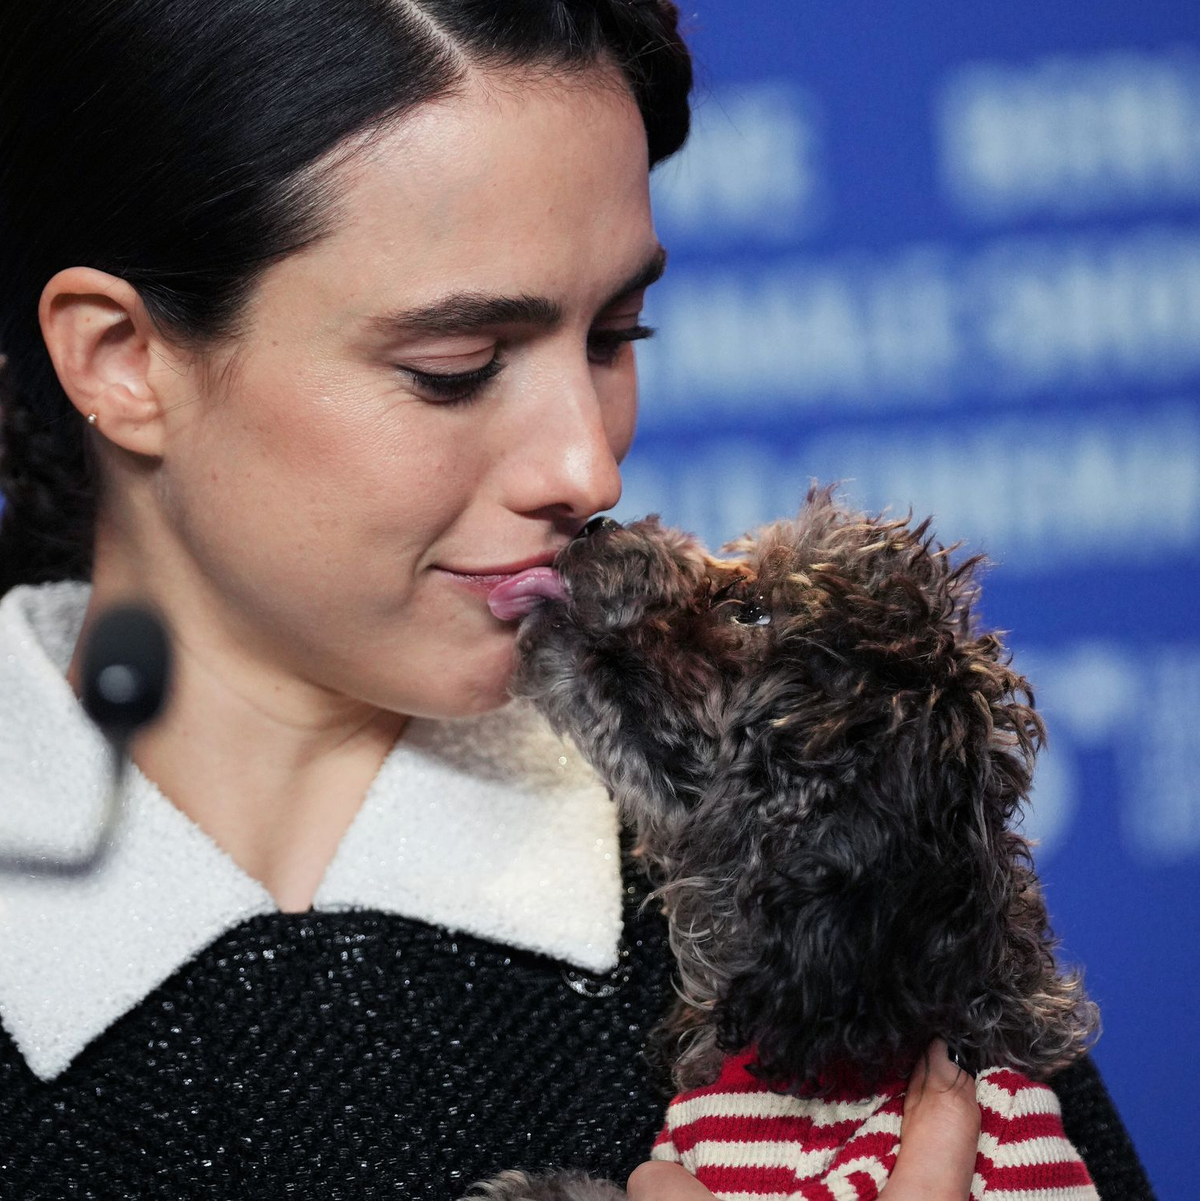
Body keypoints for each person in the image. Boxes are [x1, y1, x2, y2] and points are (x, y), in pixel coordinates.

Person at [0, 3, 1152, 1198]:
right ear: (121, 357)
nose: (587, 469)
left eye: (614, 333)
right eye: (454, 371)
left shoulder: (803, 871)